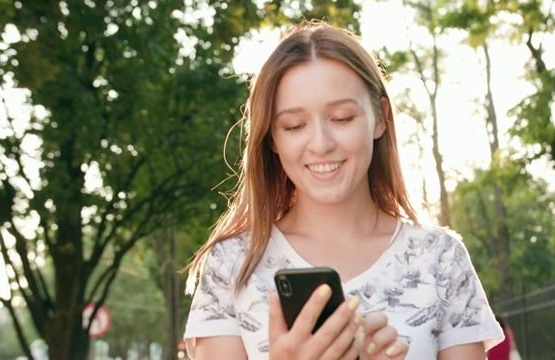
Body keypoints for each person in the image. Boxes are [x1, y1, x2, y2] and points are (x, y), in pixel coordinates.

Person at [183, 19, 504, 360]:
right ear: (272, 139)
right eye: (294, 125)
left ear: (380, 118)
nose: (320, 144)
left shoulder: (440, 258)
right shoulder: (231, 265)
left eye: (341, 118)